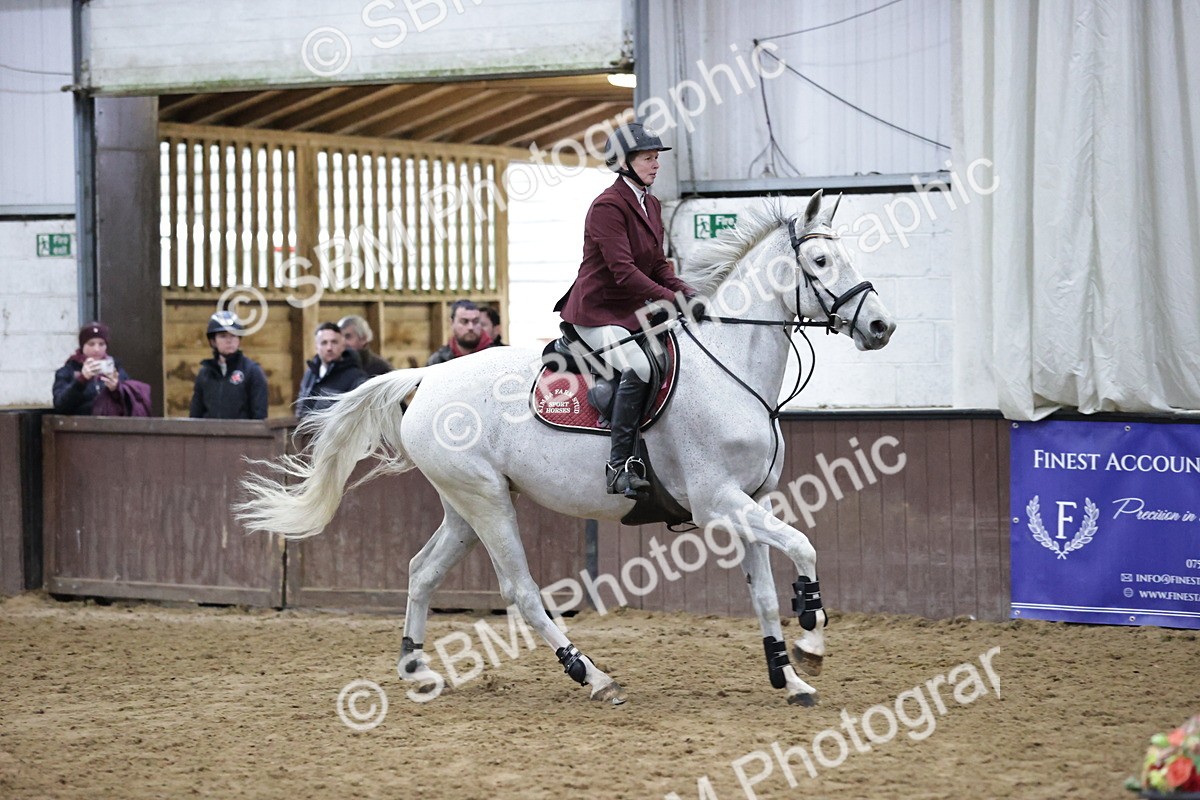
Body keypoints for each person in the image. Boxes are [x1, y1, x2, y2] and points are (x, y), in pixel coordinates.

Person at [553, 122, 705, 496]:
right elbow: (624, 272)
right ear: (623, 162)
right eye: (648, 158)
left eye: (656, 158)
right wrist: (671, 300)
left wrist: (687, 291)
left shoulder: (651, 204)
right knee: (637, 365)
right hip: (597, 311)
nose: (656, 165)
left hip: (631, 312)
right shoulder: (608, 205)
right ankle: (619, 465)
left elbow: (656, 265)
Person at [189, 310, 269, 420]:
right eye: (223, 336)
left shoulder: (252, 371)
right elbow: (195, 414)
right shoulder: (204, 374)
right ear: (213, 341)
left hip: (243, 435)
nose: (229, 340)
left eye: (233, 335)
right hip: (210, 435)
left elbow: (259, 415)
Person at [52, 321, 131, 415]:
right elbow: (61, 406)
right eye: (91, 344)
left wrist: (116, 390)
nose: (96, 349)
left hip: (112, 427)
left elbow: (131, 406)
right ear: (82, 346)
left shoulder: (116, 370)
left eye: (101, 344)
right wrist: (81, 380)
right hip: (78, 427)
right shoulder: (68, 371)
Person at [295, 322, 369, 419]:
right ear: (317, 347)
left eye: (334, 342)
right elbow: (300, 408)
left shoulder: (357, 377)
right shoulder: (311, 373)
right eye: (324, 343)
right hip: (307, 432)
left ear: (343, 346)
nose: (329, 348)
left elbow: (359, 416)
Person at [426, 299, 493, 365]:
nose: (471, 327)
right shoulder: (438, 361)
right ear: (452, 323)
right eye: (464, 321)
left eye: (475, 321)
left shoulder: (495, 357)